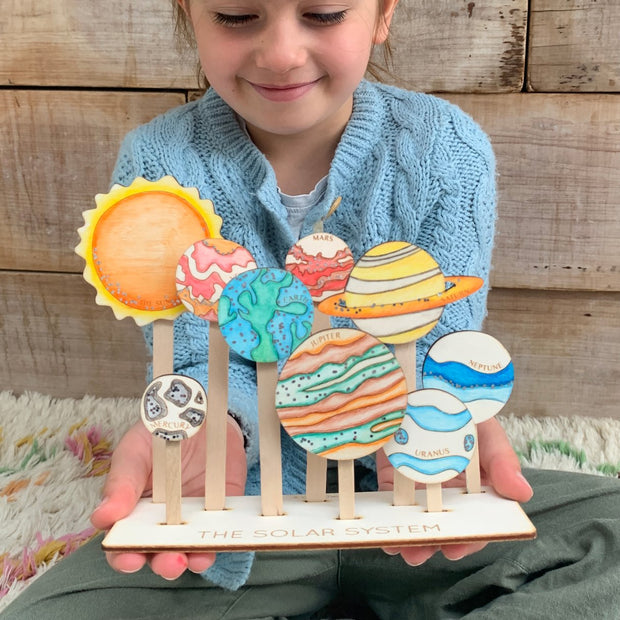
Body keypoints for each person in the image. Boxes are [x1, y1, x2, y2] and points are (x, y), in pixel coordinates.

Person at [3, 0, 620, 617]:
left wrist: (441, 416)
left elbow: (440, 337)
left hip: (411, 502)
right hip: (239, 510)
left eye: (323, 14)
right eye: (236, 16)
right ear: (189, 12)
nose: (280, 53)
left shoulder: (446, 147)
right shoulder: (158, 164)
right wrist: (214, 428)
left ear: (382, 15)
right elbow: (192, 351)